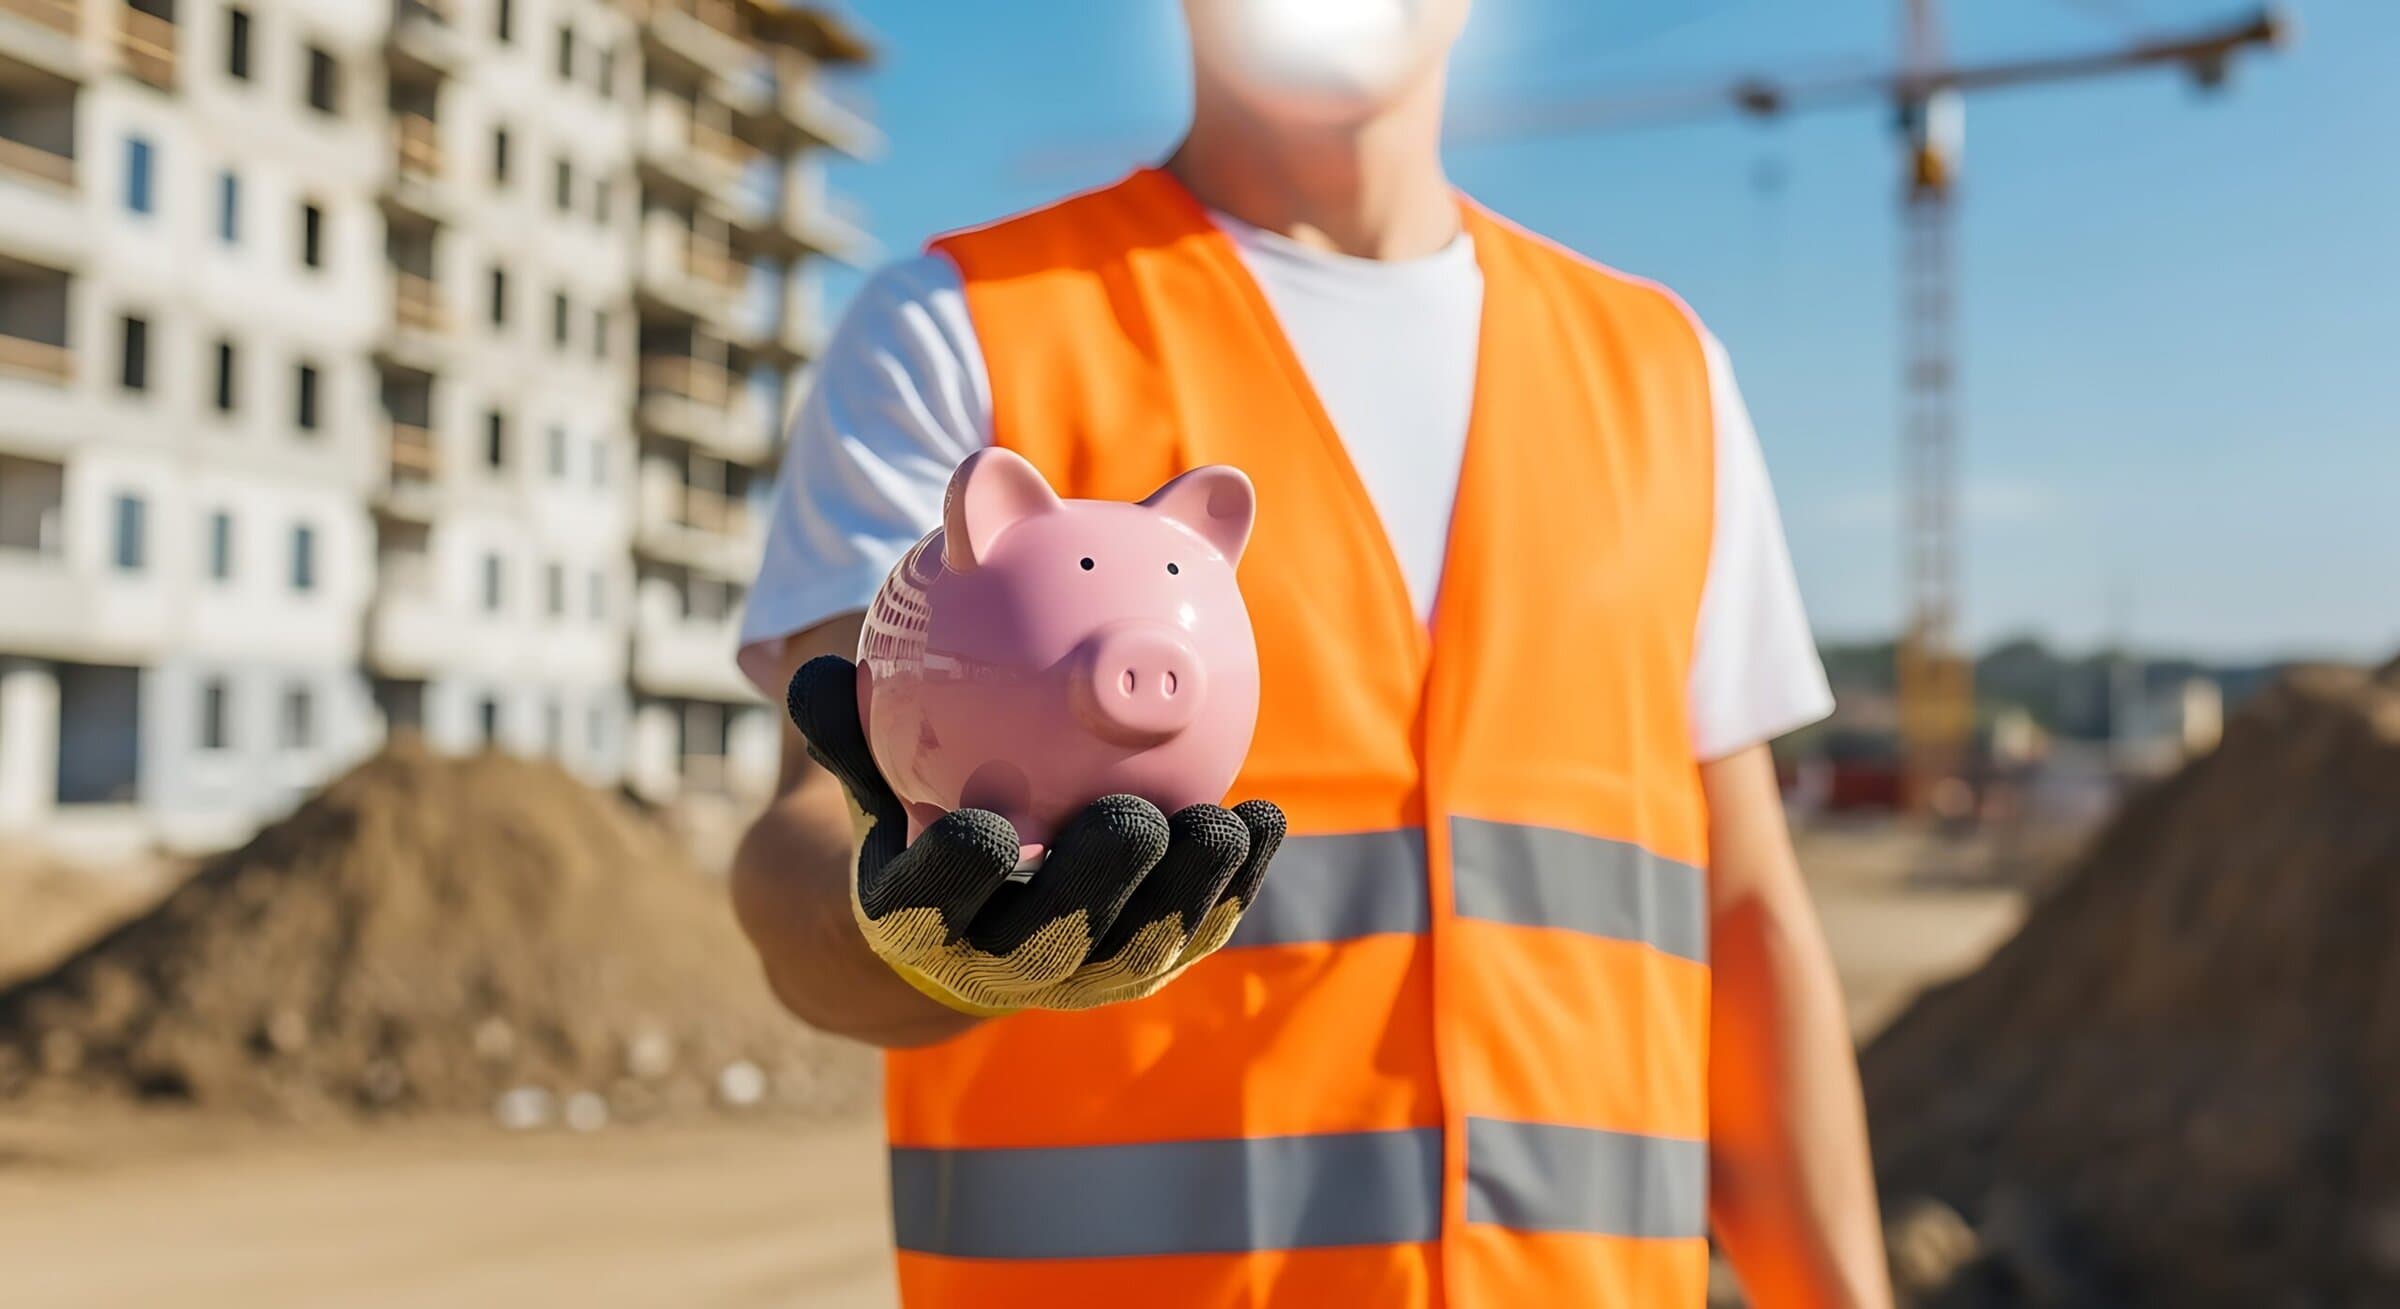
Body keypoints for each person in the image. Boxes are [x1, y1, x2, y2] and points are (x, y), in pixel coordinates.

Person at [731, 1, 1892, 1305]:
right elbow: (802, 853)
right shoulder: (959, 332)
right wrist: (925, 938)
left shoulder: (1664, 377)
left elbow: (1744, 921)